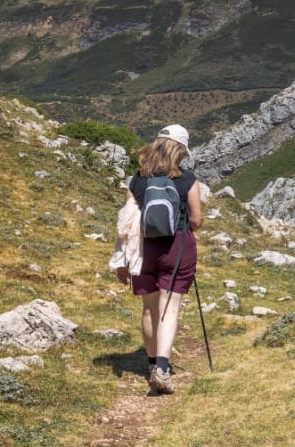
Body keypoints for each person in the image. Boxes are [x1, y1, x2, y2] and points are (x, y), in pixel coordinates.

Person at [114, 124, 203, 394]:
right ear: (180, 150)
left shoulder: (137, 180)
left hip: (143, 248)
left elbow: (127, 221)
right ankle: (163, 368)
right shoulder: (188, 180)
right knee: (170, 307)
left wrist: (122, 260)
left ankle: (152, 364)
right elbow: (196, 220)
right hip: (177, 247)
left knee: (149, 307)